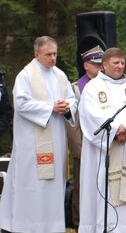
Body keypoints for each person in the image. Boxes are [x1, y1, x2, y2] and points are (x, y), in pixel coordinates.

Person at [0, 36, 77, 233]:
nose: (53, 58)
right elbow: (22, 104)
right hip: (33, 143)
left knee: (53, 185)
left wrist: (67, 106)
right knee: (34, 185)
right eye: (48, 54)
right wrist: (50, 107)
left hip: (57, 140)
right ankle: (28, 226)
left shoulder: (59, 75)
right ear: (36, 54)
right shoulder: (25, 75)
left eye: (55, 54)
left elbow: (72, 98)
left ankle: (52, 227)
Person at [78, 47, 126, 233]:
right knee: (102, 192)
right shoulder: (92, 87)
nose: (120, 66)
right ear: (104, 65)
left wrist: (125, 129)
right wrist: (116, 131)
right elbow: (91, 116)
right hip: (102, 151)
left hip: (125, 149)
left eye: (122, 63)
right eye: (116, 63)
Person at [66, 45, 104, 230]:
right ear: (86, 65)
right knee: (82, 185)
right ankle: (79, 221)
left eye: (101, 64)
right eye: (96, 65)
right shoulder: (77, 88)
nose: (100, 68)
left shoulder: (107, 86)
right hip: (84, 145)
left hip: (103, 145)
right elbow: (72, 123)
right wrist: (77, 148)